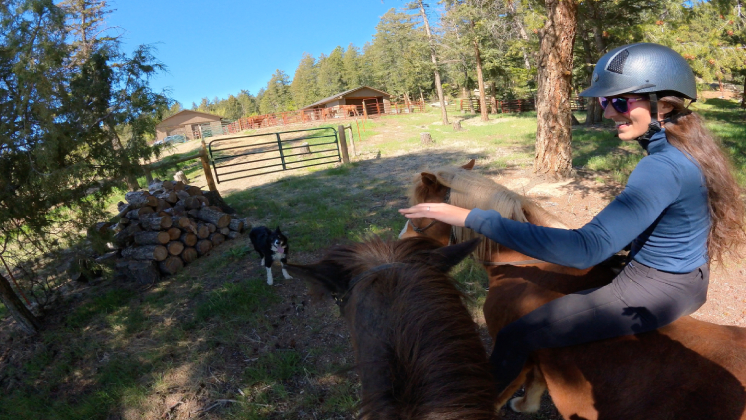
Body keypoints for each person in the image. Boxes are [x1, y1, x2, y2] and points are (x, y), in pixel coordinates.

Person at [398, 42, 746, 394]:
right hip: (689, 280)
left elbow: (585, 251)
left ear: (663, 103)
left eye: (619, 101)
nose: (609, 113)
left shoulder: (661, 166)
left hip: (654, 289)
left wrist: (469, 216)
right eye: (604, 102)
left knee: (517, 334)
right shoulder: (684, 150)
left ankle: (479, 408)